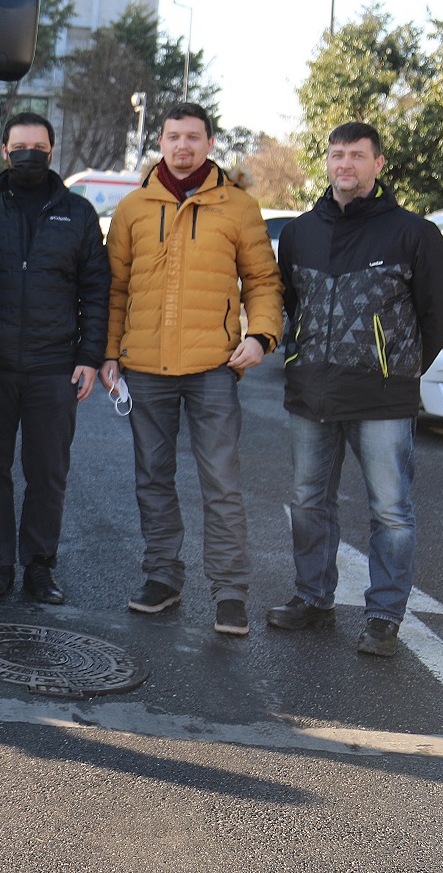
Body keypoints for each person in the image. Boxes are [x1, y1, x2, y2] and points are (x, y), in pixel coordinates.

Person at [267, 121, 443, 658]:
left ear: (377, 165)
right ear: (326, 163)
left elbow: (439, 312)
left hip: (381, 400)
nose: (344, 164)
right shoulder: (301, 231)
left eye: (356, 155)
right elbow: (290, 303)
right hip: (311, 394)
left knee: (391, 510)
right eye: (336, 155)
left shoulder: (413, 233)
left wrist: (399, 367)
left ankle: (382, 616)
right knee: (308, 502)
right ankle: (313, 597)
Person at [100, 102, 282, 635]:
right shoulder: (133, 208)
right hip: (146, 368)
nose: (183, 146)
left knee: (221, 481)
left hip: (214, 367)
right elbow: (114, 290)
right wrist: (109, 353)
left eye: (194, 138)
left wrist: (261, 336)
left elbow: (264, 282)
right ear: (159, 141)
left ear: (209, 143)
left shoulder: (240, 207)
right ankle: (162, 577)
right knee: (153, 479)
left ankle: (229, 592)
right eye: (174, 136)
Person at [0, 111, 109, 603]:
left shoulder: (79, 213)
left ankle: (39, 566)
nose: (30, 154)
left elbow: (96, 289)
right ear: (4, 151)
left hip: (54, 366)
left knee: (48, 473)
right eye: (20, 146)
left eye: (39, 147)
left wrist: (90, 356)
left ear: (52, 151)